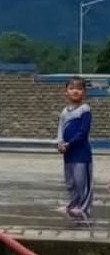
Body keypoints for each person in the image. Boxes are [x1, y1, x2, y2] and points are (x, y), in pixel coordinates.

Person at [58, 77, 93, 220]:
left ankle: (83, 207)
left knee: (81, 182)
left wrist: (69, 144)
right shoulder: (64, 112)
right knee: (70, 182)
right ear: (66, 92)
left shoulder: (85, 110)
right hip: (68, 153)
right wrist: (60, 143)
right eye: (72, 88)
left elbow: (83, 132)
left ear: (84, 92)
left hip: (81, 154)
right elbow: (60, 129)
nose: (75, 91)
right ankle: (72, 204)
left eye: (79, 89)